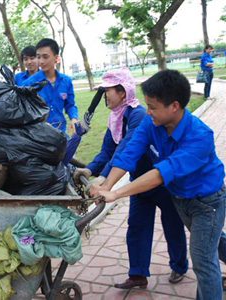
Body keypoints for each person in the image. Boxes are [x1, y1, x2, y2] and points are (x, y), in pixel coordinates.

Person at [89, 69, 226, 300]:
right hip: (180, 199)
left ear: (173, 106)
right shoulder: (150, 124)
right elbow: (129, 153)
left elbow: (161, 174)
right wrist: (106, 185)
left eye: (152, 106)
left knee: (203, 259)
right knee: (214, 241)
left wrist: (117, 193)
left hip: (207, 203)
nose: (147, 111)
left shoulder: (200, 136)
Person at [74, 67, 188, 290]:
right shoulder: (115, 118)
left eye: (108, 91)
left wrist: (106, 181)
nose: (105, 95)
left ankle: (179, 265)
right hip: (139, 184)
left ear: (123, 92)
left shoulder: (138, 116)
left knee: (173, 224)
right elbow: (108, 150)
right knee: (136, 225)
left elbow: (125, 150)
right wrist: (89, 170)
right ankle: (137, 274)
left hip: (161, 182)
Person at [22, 38, 78, 135]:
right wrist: (38, 122)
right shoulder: (29, 84)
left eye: (45, 57)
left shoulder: (66, 81)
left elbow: (70, 105)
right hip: (39, 136)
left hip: (61, 132)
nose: (41, 61)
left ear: (56, 58)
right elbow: (23, 111)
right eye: (38, 57)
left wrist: (73, 118)